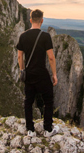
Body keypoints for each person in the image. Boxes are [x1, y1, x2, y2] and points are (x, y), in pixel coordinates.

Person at [16, 9, 59, 137]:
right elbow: (51, 57)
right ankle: (48, 129)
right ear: (42, 21)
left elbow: (19, 56)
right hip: (42, 74)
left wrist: (23, 70)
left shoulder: (23, 36)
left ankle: (30, 130)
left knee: (28, 101)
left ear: (30, 20)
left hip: (29, 74)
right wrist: (54, 74)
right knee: (48, 101)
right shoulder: (45, 37)